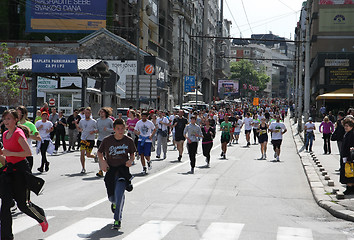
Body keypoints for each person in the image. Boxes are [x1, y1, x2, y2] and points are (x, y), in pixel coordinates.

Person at [0, 110, 48, 240]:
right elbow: (5, 154)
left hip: (21, 170)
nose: (6, 121)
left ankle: (41, 217)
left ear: (16, 120)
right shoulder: (4, 134)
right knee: (4, 206)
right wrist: (4, 159)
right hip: (9, 171)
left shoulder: (18, 133)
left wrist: (8, 153)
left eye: (9, 119)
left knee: (23, 205)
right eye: (4, 119)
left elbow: (27, 152)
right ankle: (6, 237)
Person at [97, 118, 136, 229]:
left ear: (125, 128)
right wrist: (103, 162)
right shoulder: (107, 140)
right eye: (118, 129)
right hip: (111, 170)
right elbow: (99, 152)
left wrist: (131, 160)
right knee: (112, 198)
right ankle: (113, 203)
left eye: (122, 128)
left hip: (123, 171)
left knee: (119, 195)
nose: (120, 130)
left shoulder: (128, 140)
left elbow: (133, 154)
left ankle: (117, 220)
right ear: (114, 129)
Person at [17, 106, 41, 170]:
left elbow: (38, 138)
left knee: (27, 177)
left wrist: (28, 135)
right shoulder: (14, 124)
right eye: (16, 113)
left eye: (19, 113)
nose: (17, 115)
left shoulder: (30, 125)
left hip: (27, 154)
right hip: (16, 154)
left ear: (24, 114)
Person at [77, 107, 97, 174]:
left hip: (90, 139)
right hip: (83, 139)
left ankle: (95, 156)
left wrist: (93, 131)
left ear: (90, 113)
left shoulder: (93, 122)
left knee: (88, 155)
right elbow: (80, 128)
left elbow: (97, 130)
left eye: (88, 113)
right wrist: (79, 129)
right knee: (82, 153)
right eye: (85, 113)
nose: (86, 114)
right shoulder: (82, 121)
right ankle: (83, 168)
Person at [96, 107, 114, 177]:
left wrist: (107, 129)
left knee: (107, 155)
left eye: (102, 112)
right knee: (100, 156)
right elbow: (96, 128)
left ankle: (109, 168)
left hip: (108, 140)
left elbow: (114, 129)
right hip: (100, 139)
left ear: (106, 113)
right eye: (100, 112)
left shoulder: (109, 120)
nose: (101, 113)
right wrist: (96, 131)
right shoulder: (97, 120)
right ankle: (100, 170)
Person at [339, 117, 354, 195]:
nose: (345, 127)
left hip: (348, 157)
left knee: (349, 173)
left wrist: (348, 157)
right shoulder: (347, 134)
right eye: (345, 126)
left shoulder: (351, 135)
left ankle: (349, 188)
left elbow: (351, 147)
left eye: (347, 126)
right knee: (347, 172)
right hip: (345, 156)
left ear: (351, 127)